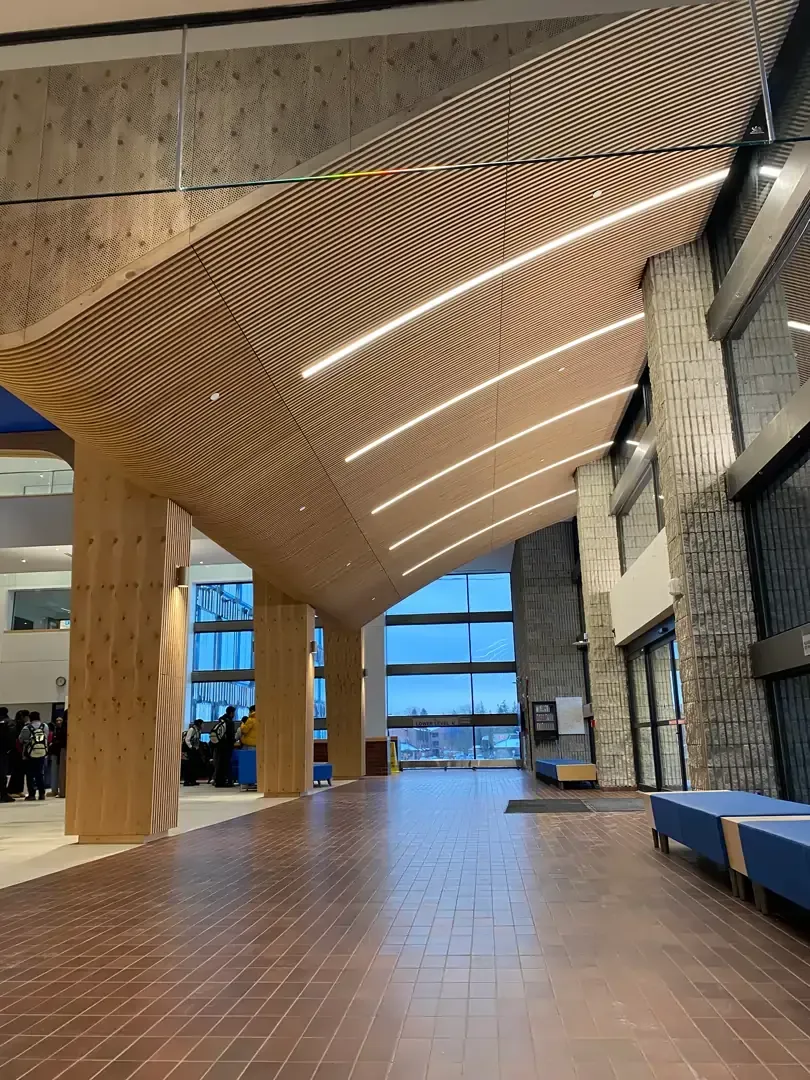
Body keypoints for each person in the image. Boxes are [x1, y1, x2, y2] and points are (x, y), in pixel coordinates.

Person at [19, 711, 51, 801]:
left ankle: (32, 794)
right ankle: (41, 794)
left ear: (30, 718)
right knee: (40, 774)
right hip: (42, 753)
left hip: (29, 754)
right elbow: (47, 737)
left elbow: (21, 739)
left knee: (30, 774)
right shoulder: (45, 726)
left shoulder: (27, 728)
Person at [210, 706, 236, 787]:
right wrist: (233, 742)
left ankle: (218, 781)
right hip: (226, 746)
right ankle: (223, 782)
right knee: (225, 764)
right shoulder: (229, 723)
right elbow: (231, 736)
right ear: (231, 713)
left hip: (218, 745)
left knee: (219, 763)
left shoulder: (221, 720)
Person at [8, 710, 28, 797]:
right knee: (17, 771)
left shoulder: (15, 724)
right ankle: (13, 790)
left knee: (18, 771)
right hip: (18, 751)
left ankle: (17, 790)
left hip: (15, 751)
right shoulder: (19, 726)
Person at [49, 713, 68, 797]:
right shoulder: (55, 730)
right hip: (57, 752)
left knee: (61, 772)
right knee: (57, 772)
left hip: (60, 751)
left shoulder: (62, 730)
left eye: (60, 720)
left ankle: (61, 791)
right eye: (57, 720)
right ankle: (56, 790)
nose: (58, 722)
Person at [182, 719, 204, 786]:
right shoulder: (192, 730)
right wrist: (191, 747)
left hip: (195, 749)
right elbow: (187, 739)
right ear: (199, 724)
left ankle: (193, 780)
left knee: (195, 765)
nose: (203, 725)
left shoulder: (198, 730)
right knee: (189, 766)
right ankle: (187, 781)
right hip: (190, 750)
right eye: (202, 724)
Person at [0, 709, 14, 803]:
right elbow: (11, 737)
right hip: (3, 751)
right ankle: (3, 795)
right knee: (2, 774)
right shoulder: (8, 723)